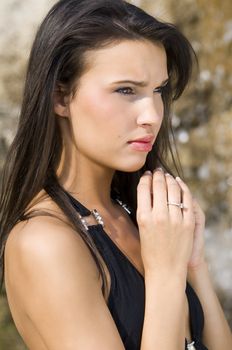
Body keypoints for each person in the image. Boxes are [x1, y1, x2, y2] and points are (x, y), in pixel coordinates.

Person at [0, 0, 231, 349]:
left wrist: (193, 264)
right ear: (60, 96)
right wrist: (166, 275)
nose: (152, 115)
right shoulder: (44, 243)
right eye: (126, 90)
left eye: (158, 91)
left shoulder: (138, 213)